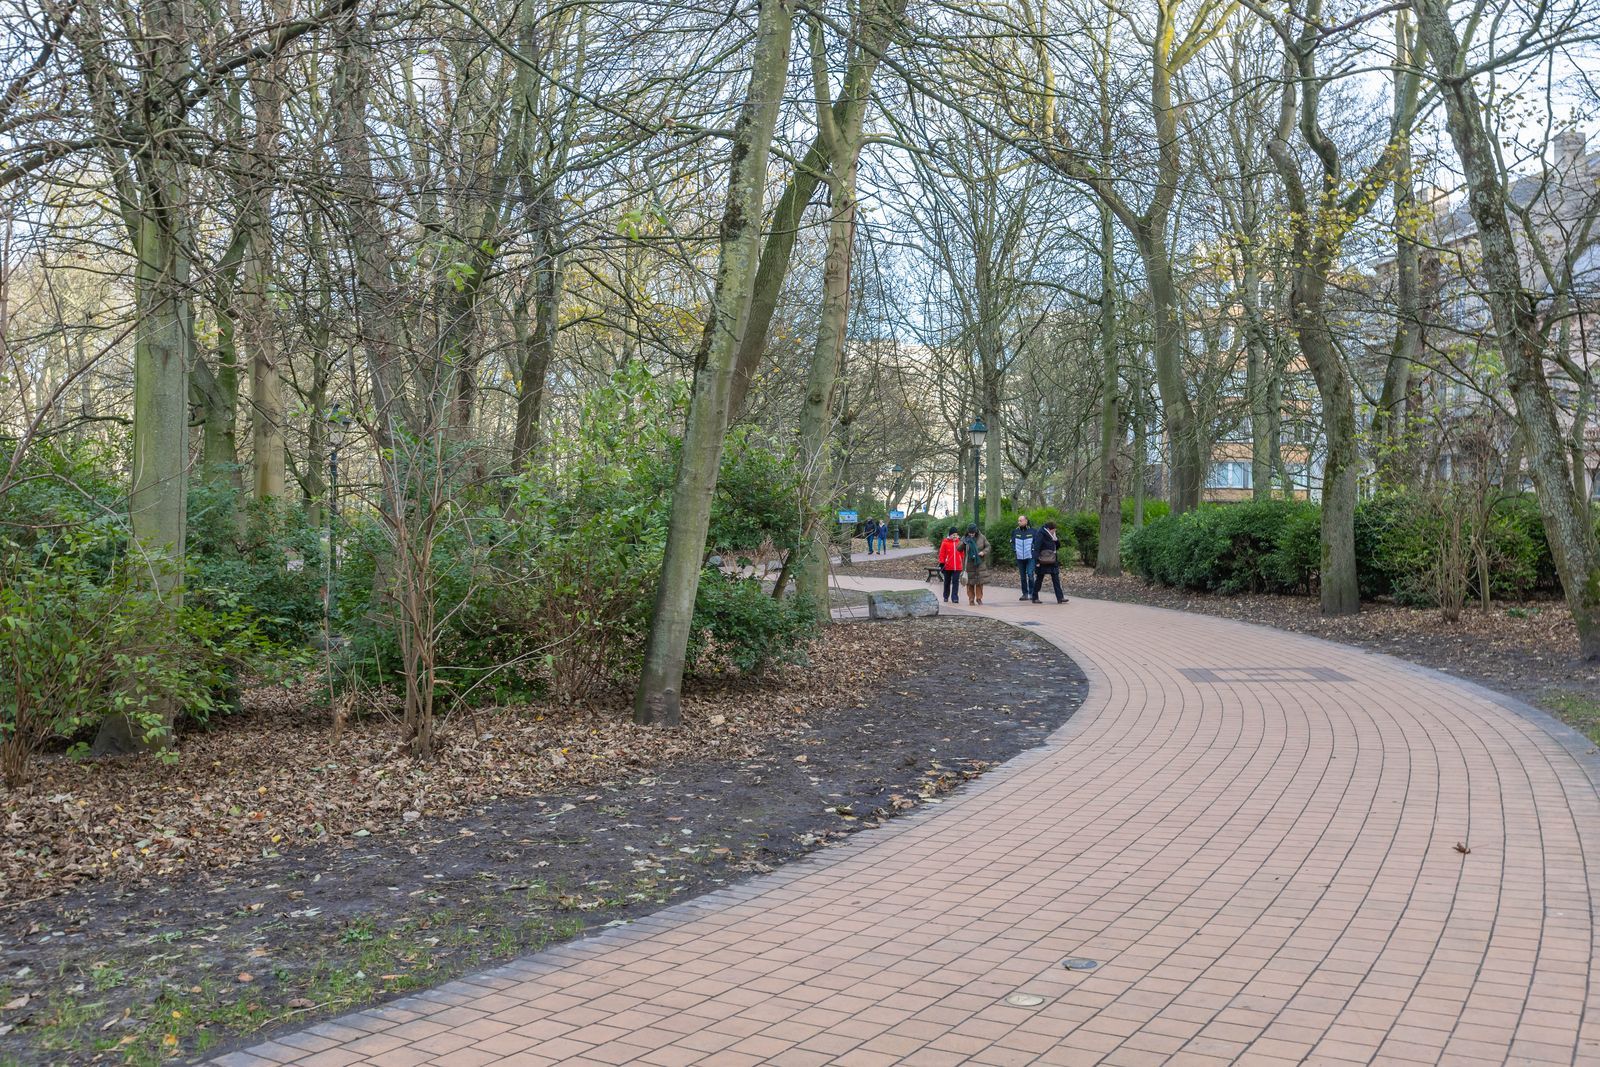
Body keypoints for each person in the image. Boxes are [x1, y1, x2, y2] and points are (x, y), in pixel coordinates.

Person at [1031, 520, 1067, 604]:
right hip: (1042, 560)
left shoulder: (1052, 535)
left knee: (1056, 579)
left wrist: (1055, 539)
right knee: (1039, 579)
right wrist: (1036, 561)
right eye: (1054, 530)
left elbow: (1057, 546)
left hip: (1052, 560)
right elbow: (1036, 547)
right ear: (1048, 529)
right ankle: (1035, 597)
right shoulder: (1040, 533)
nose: (1055, 531)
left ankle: (1060, 598)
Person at [962, 523, 990, 606]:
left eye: (973, 533)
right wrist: (963, 543)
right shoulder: (964, 538)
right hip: (969, 564)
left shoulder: (982, 537)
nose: (971, 534)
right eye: (970, 533)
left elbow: (988, 547)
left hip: (979, 563)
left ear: (976, 531)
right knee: (970, 583)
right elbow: (958, 548)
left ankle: (979, 598)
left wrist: (983, 552)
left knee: (979, 583)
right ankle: (971, 599)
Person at [937, 527, 966, 604]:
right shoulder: (945, 543)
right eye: (953, 535)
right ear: (949, 535)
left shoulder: (960, 543)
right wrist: (942, 563)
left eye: (956, 535)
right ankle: (946, 596)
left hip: (957, 567)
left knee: (955, 582)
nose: (955, 536)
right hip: (947, 567)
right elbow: (941, 554)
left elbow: (962, 554)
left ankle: (955, 597)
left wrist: (963, 562)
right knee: (947, 582)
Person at [1012, 515, 1036, 600]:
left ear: (1026, 521)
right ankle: (1024, 594)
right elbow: (1012, 542)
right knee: (1022, 577)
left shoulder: (1033, 531)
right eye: (1018, 521)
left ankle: (1032, 593)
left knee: (1030, 574)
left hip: (1030, 557)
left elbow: (1036, 543)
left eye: (1021, 520)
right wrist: (1014, 550)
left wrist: (1034, 552)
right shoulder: (1015, 532)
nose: (1019, 522)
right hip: (1020, 558)